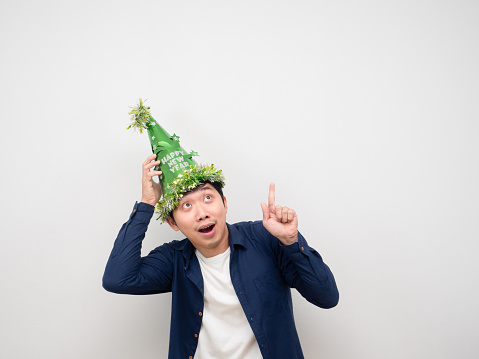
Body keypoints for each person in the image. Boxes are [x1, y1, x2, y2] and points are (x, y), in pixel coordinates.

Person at [103, 153, 339, 359]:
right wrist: (147, 203)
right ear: (172, 222)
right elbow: (118, 278)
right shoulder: (173, 259)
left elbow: (327, 297)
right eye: (186, 205)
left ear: (224, 203)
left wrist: (290, 241)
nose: (202, 213)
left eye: (208, 198)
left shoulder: (265, 237)